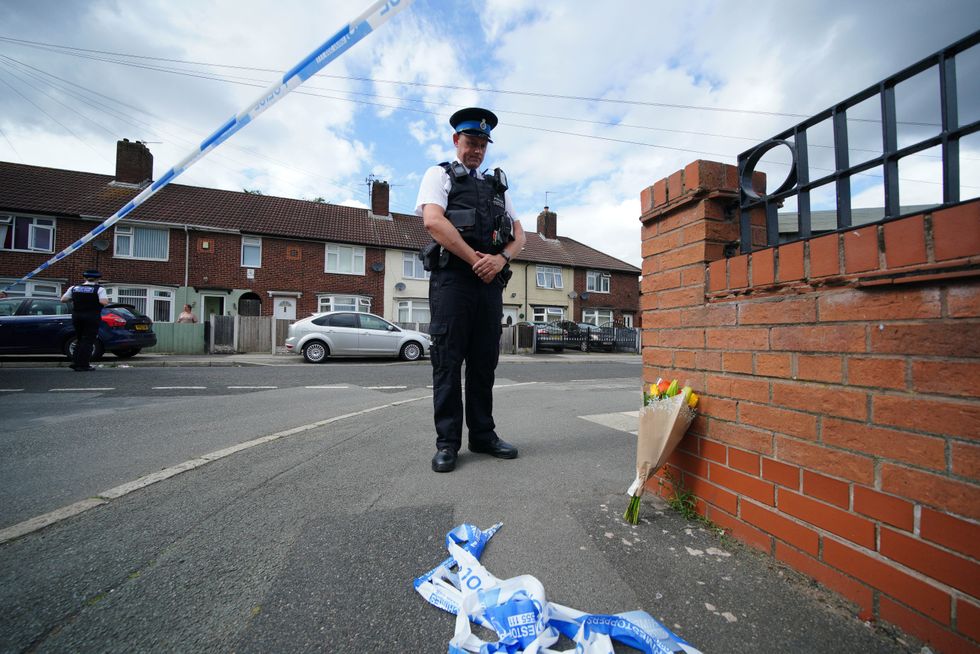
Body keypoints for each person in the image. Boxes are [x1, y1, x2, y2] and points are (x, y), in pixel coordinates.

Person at [415, 107, 527, 473]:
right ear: (456, 141)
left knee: (484, 363)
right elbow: (433, 221)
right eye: (470, 143)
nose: (476, 150)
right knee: (448, 362)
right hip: (453, 284)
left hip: (489, 285)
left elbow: (520, 235)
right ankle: (447, 443)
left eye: (482, 144)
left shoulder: (498, 187)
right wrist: (473, 258)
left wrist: (500, 260)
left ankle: (483, 435)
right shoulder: (440, 175)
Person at [61, 269, 109, 371]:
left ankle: (75, 362)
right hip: (91, 316)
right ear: (98, 279)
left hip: (77, 316)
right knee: (88, 340)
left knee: (79, 338)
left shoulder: (74, 288)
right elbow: (103, 302)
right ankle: (83, 365)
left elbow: (63, 299)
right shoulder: (99, 289)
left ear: (84, 278)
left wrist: (76, 300)